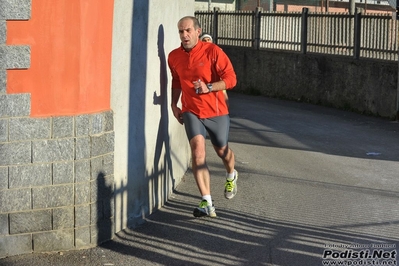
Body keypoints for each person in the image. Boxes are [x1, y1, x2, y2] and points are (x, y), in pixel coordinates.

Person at [167, 16, 238, 218]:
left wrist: (209, 87)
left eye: (188, 30)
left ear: (198, 31)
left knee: (222, 151)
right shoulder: (173, 56)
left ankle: (231, 174)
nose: (184, 35)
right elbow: (176, 80)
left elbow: (232, 79)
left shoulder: (213, 51)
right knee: (198, 153)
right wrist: (174, 104)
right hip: (191, 111)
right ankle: (207, 201)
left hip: (216, 112)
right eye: (181, 31)